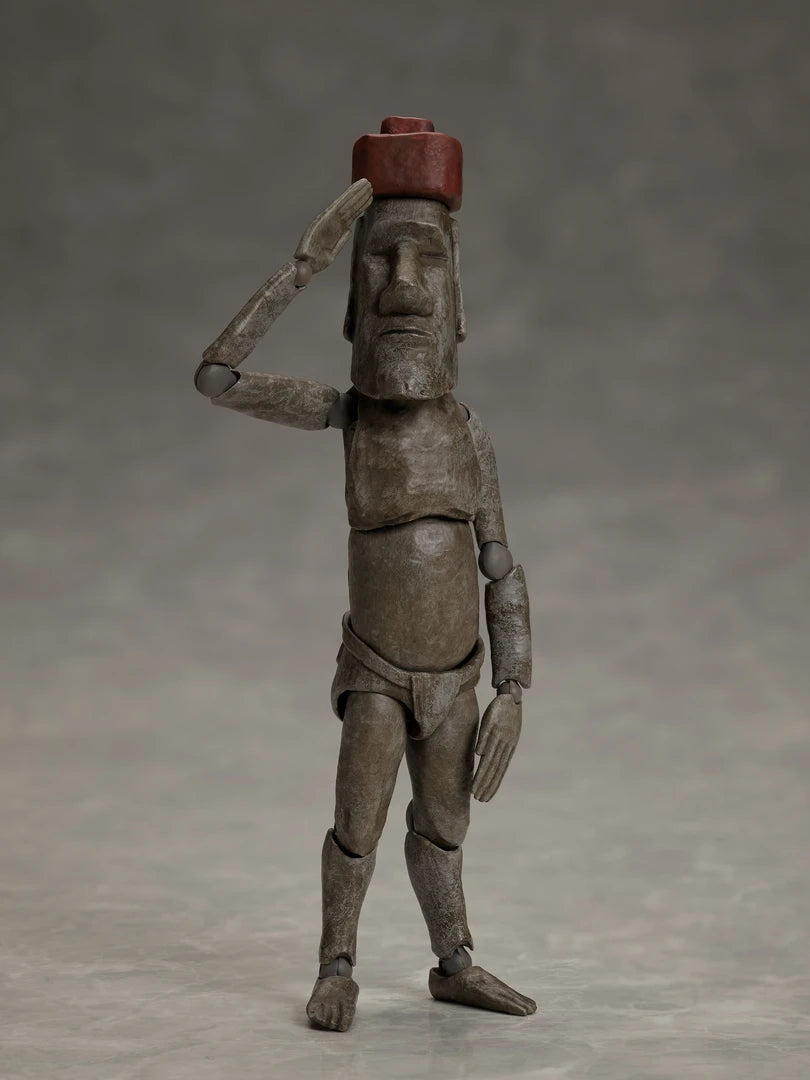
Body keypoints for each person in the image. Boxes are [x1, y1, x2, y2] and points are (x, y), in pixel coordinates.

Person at [195, 118, 535, 1032]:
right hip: (378, 671)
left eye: (428, 262)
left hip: (457, 678)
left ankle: (453, 962)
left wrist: (513, 688)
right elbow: (219, 378)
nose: (404, 286)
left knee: (445, 830)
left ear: (458, 298)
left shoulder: (468, 435)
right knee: (358, 828)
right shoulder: (347, 417)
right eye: (379, 260)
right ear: (353, 299)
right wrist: (306, 262)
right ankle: (336, 966)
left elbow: (500, 567)